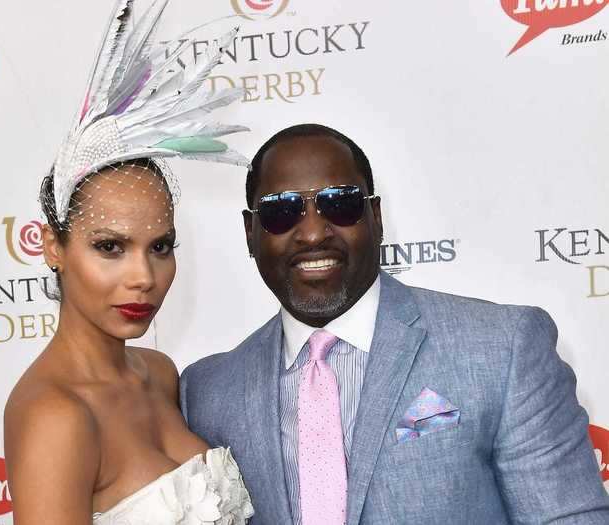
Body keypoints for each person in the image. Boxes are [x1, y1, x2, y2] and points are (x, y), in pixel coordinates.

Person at [180, 123, 609, 524]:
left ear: (376, 218)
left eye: (340, 203)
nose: (313, 233)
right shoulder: (208, 392)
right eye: (281, 211)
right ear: (251, 232)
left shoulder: (504, 346)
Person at [4, 1, 253, 523]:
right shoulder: (56, 415)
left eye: (160, 246)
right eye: (110, 247)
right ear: (53, 246)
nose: (143, 278)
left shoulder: (160, 374)